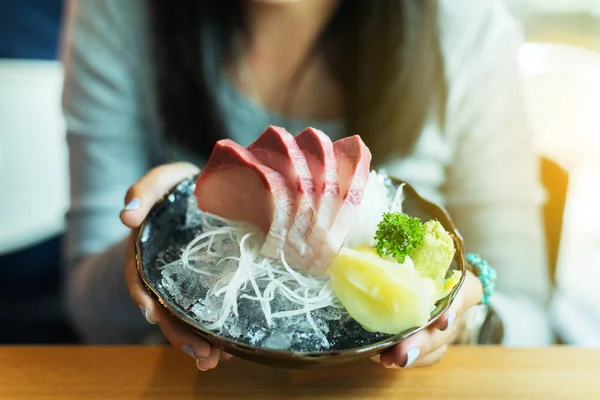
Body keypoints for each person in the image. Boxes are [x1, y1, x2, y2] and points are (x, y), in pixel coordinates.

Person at [61, 0, 554, 371]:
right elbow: (88, 310)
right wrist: (147, 245)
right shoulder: (119, 13)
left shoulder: (468, 29)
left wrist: (463, 319)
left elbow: (532, 321)